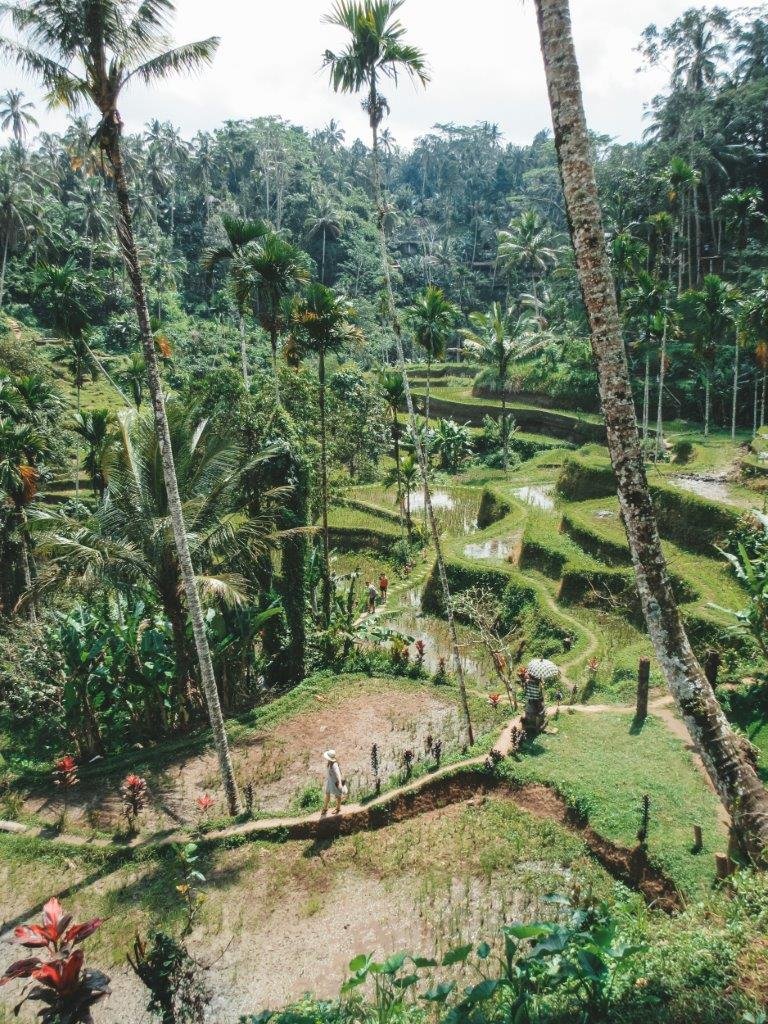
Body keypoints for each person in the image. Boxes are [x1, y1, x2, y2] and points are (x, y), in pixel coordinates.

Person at [321, 749, 346, 815]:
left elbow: (338, 774)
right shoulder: (330, 762)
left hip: (335, 782)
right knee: (327, 794)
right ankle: (325, 808)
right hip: (330, 781)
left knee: (338, 795)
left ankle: (338, 808)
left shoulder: (334, 765)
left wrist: (340, 783)